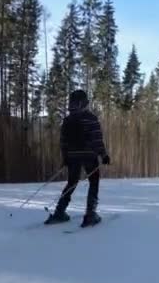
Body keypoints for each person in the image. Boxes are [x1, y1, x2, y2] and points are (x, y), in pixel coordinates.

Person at [44, 90, 110, 227]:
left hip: (72, 156)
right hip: (89, 155)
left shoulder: (67, 120)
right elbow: (97, 139)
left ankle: (59, 212)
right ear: (84, 103)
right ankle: (90, 214)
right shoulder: (91, 118)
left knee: (72, 182)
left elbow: (63, 142)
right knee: (94, 182)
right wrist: (103, 155)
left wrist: (65, 158)